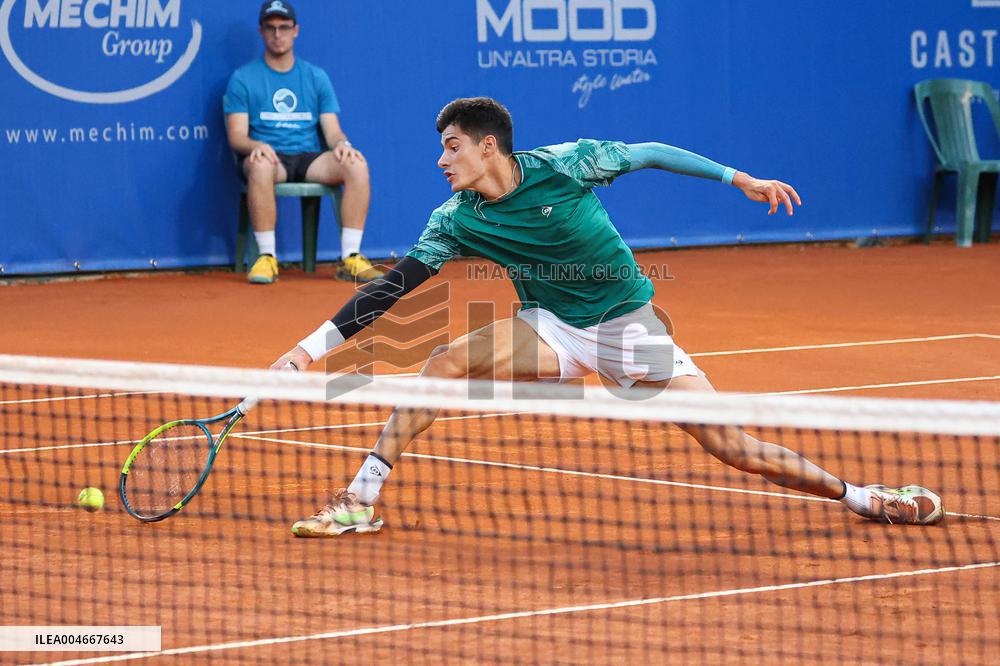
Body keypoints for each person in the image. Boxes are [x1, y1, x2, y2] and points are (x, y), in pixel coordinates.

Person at [272, 97, 944, 536]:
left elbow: (649, 151)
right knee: (442, 362)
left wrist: (739, 179)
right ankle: (360, 499)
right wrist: (308, 350)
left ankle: (862, 496)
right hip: (551, 328)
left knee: (733, 447)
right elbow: (392, 287)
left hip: (629, 329)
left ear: (488, 149)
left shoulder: (569, 165)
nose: (440, 159)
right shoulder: (454, 219)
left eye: (452, 146)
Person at [223, 0, 383, 285]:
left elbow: (332, 130)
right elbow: (236, 136)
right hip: (272, 160)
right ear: (261, 32)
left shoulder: (315, 76)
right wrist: (254, 147)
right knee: (259, 166)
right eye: (271, 28)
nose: (277, 34)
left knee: (356, 164)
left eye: (284, 27)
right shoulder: (243, 78)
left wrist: (342, 144)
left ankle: (351, 257)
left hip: (310, 158)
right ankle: (266, 257)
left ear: (295, 31)